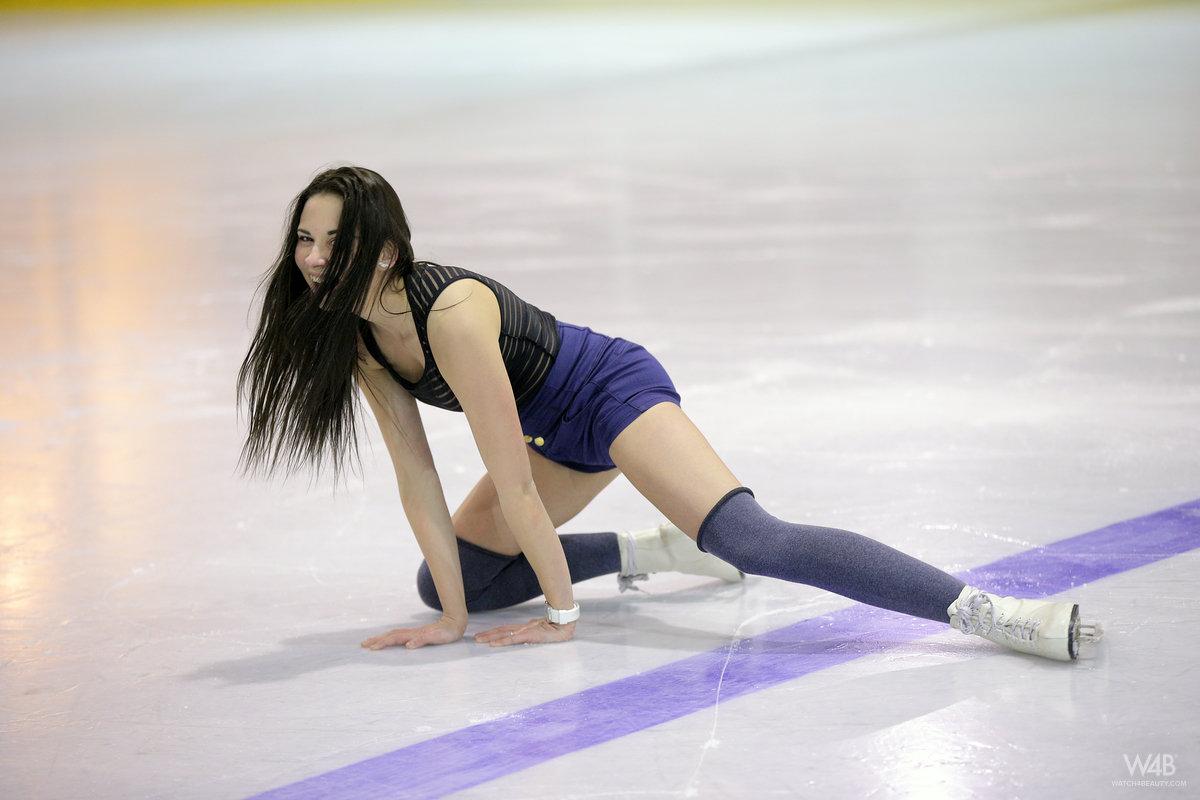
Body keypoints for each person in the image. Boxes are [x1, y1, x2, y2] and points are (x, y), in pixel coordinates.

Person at [237, 165, 1102, 662]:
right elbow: (416, 475)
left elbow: (509, 475)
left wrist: (563, 618)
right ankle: (653, 549)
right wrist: (456, 620)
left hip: (606, 393)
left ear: (386, 249)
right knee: (446, 579)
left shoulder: (452, 313)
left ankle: (992, 613)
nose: (312, 259)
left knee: (755, 542)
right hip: (547, 434)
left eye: (333, 241)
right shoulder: (357, 336)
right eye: (304, 239)